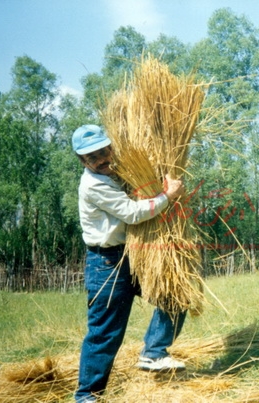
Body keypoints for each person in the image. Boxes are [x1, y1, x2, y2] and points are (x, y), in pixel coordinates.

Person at [71, 124, 187, 402]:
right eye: (92, 157)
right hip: (106, 263)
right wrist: (167, 197)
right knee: (105, 334)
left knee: (175, 295)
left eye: (104, 151)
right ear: (82, 161)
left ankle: (154, 352)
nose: (102, 159)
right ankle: (87, 396)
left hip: (134, 255)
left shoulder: (116, 171)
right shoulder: (94, 184)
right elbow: (132, 213)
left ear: (111, 147)